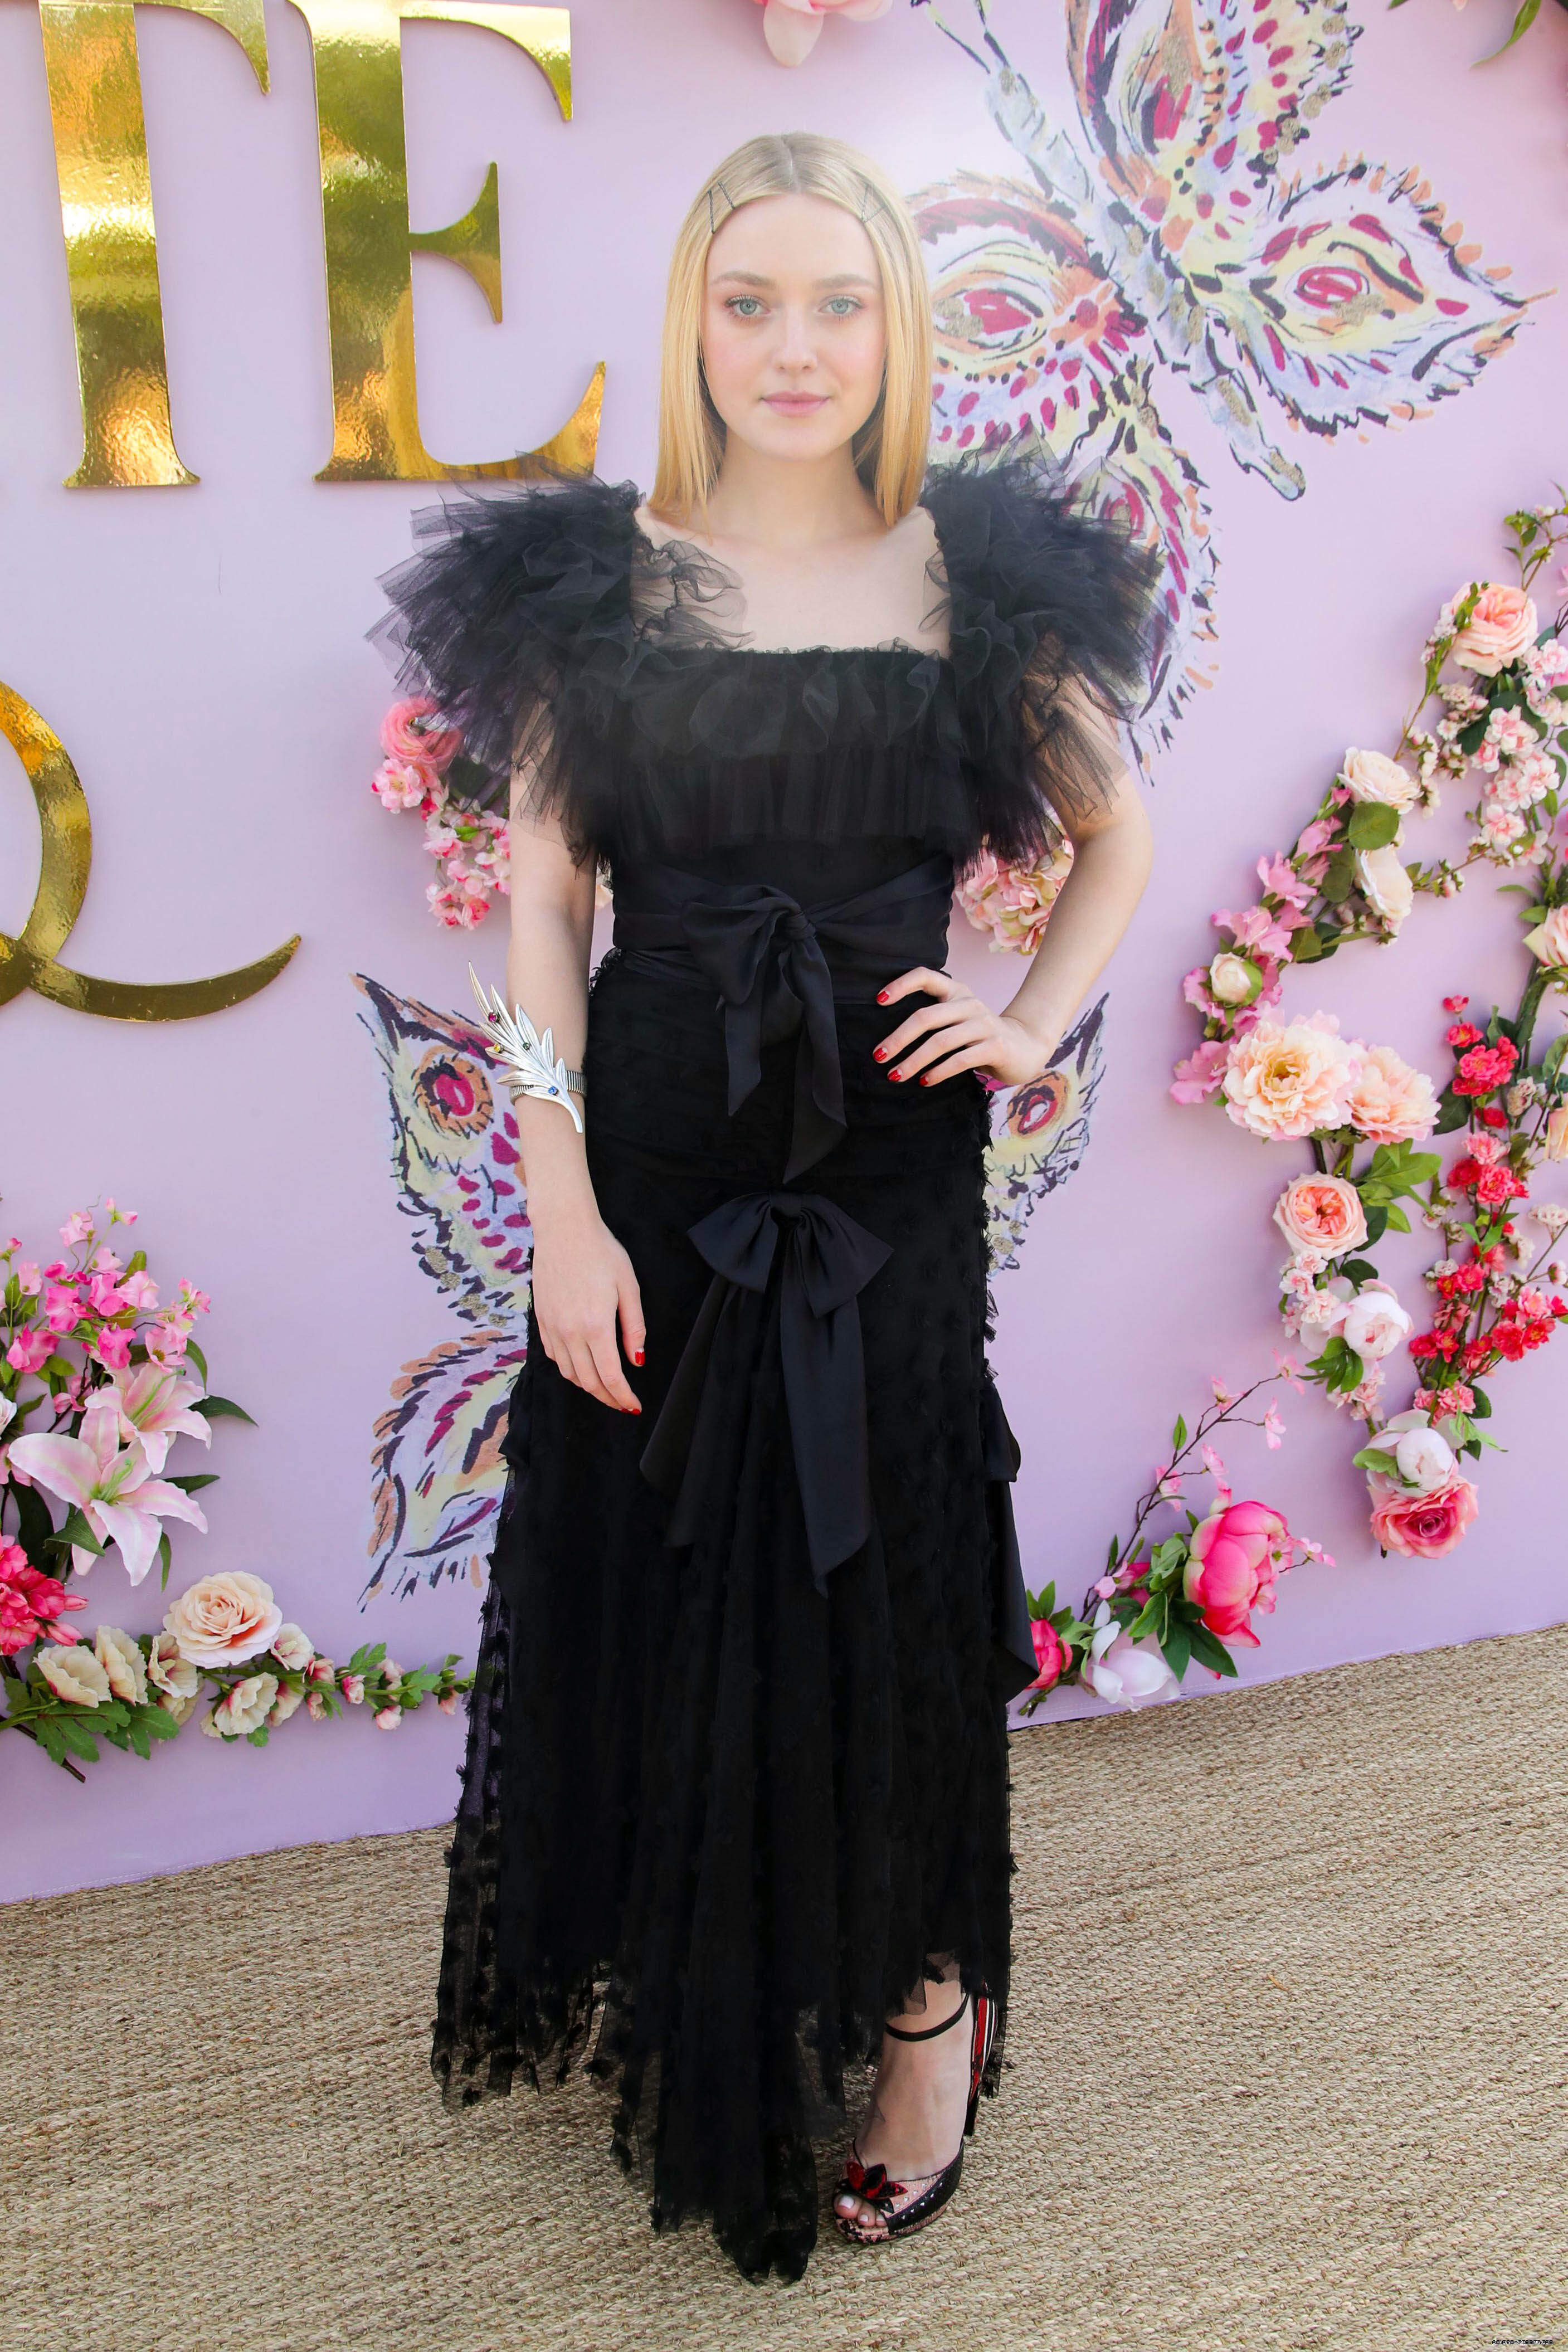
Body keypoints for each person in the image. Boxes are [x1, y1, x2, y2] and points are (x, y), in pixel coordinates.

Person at [371, 129, 1159, 2285]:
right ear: (692, 326)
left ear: (897, 325)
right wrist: (561, 1211)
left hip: (887, 1172)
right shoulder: (597, 583)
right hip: (650, 1161)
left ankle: (925, 2019)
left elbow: (1120, 832)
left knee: (884, 1575)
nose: (793, 346)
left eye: (838, 302)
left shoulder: (977, 578)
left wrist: (1033, 1023)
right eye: (750, 302)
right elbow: (545, 906)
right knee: (664, 1558)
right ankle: (715, 1973)